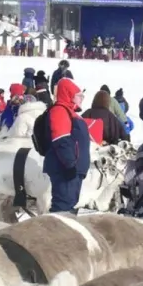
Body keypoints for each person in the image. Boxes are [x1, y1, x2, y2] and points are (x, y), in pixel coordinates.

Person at [41, 78, 91, 212]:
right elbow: (61, 139)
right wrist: (70, 165)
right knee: (62, 207)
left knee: (68, 206)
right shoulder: (60, 110)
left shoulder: (70, 112)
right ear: (69, 95)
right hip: (64, 168)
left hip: (73, 169)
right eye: (79, 96)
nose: (82, 99)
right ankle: (53, 226)